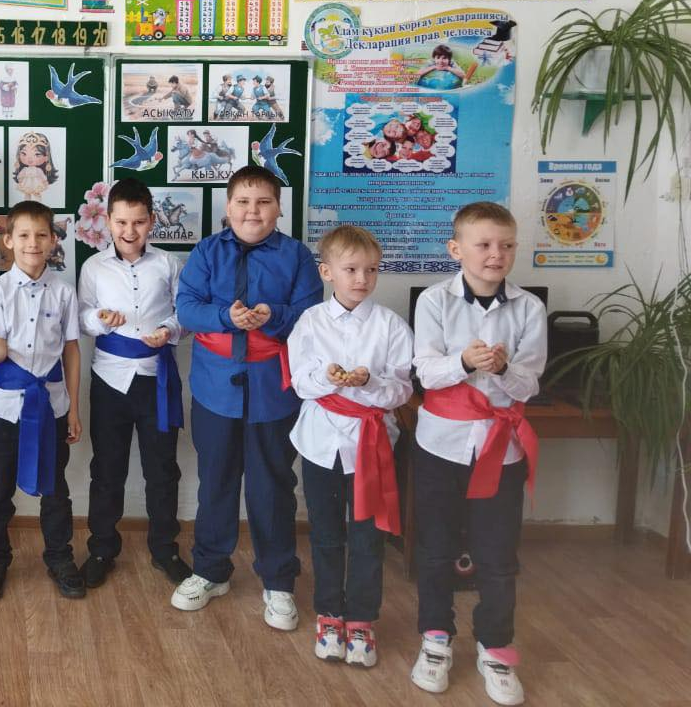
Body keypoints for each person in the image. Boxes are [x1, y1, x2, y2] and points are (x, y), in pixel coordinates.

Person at [171, 165, 323, 633]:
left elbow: (311, 313)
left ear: (278, 208)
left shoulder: (297, 256)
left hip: (273, 390)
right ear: (228, 206)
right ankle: (210, 571)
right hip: (215, 388)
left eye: (263, 202)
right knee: (215, 481)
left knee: (271, 486)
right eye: (243, 201)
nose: (252, 211)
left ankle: (278, 581)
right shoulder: (206, 252)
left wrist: (272, 315)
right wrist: (226, 316)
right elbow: (186, 307)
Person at [409, 202, 546, 706]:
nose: (496, 254)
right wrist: (465, 361)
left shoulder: (529, 309)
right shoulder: (434, 301)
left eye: (506, 245)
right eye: (484, 244)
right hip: (440, 444)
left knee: (497, 553)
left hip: (499, 447)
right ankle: (435, 638)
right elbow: (426, 372)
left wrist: (504, 369)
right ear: (456, 249)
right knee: (436, 547)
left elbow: (530, 382)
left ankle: (496, 646)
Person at [289, 225, 413, 667]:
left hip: (370, 444)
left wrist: (369, 381)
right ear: (327, 272)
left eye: (371, 270)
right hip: (321, 443)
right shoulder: (310, 322)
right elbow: (300, 382)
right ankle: (329, 614)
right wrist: (329, 377)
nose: (362, 279)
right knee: (326, 534)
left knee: (367, 536)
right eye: (352, 269)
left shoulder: (391, 326)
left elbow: (402, 389)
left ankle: (362, 618)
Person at [0, 201, 83, 602]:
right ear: (9, 241)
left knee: (56, 488)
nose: (33, 243)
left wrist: (74, 409)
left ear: (53, 240)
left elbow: (71, 351)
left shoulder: (64, 292)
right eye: (24, 235)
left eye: (41, 235)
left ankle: (59, 557)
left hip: (52, 405)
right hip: (7, 407)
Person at [77, 178, 189, 589]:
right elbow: (82, 317)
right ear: (108, 221)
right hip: (109, 380)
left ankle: (165, 549)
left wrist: (168, 331)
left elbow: (183, 314)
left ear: (151, 221)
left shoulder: (169, 264)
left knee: (163, 470)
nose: (129, 231)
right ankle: (102, 549)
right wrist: (100, 319)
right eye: (121, 222)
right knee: (107, 469)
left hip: (156, 379)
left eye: (138, 222)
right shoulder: (93, 267)